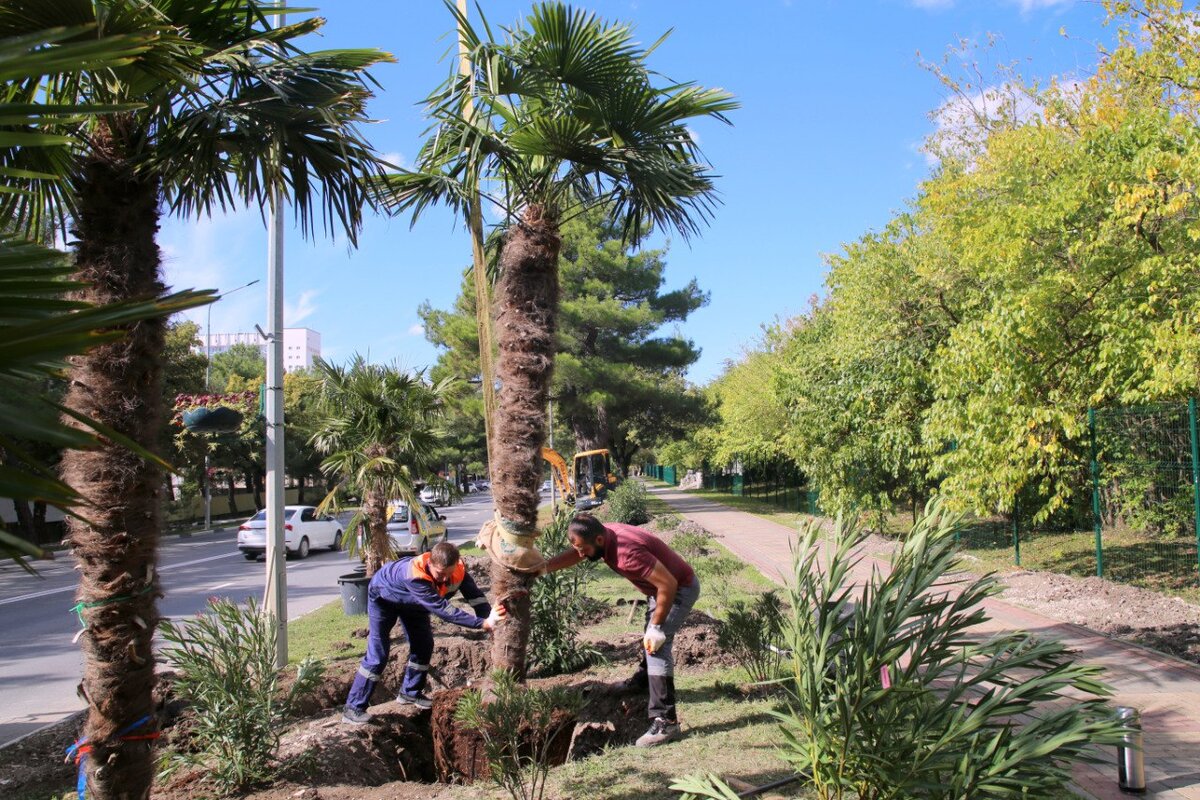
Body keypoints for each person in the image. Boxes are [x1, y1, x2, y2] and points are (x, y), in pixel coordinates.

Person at [541, 512, 700, 747]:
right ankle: (645, 681)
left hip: (678, 589)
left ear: (598, 541)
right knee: (650, 640)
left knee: (657, 646)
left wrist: (657, 627)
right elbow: (577, 553)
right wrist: (542, 569)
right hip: (660, 589)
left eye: (583, 548)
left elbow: (668, 583)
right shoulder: (602, 533)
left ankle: (666, 721)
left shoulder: (626, 553)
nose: (581, 554)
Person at [342, 541, 504, 724]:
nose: (444, 579)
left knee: (424, 644)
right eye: (440, 574)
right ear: (430, 564)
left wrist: (490, 619)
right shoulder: (415, 575)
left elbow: (475, 597)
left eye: (448, 574)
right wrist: (482, 623)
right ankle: (353, 707)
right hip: (384, 598)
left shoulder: (458, 571)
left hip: (414, 604)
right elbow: (443, 610)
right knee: (378, 654)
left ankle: (410, 693)